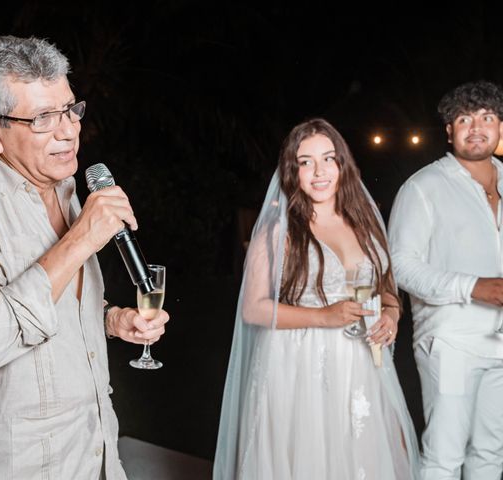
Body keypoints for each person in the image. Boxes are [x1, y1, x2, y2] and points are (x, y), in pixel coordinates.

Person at [0, 35, 169, 479]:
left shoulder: (67, 190)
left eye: (71, 109)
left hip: (92, 452)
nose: (69, 129)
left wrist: (110, 320)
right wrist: (80, 240)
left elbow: (56, 299)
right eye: (42, 118)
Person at [213, 118, 420, 479]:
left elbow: (386, 288)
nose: (319, 171)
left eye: (328, 158)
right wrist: (324, 316)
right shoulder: (280, 229)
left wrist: (390, 314)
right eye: (306, 162)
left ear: (343, 163)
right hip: (299, 361)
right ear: (293, 170)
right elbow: (254, 308)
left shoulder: (365, 220)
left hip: (361, 362)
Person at [388, 80, 503, 479]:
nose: (476, 127)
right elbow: (400, 264)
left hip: (500, 342)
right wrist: (472, 286)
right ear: (449, 131)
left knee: (491, 453)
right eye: (464, 119)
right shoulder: (424, 187)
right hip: (450, 340)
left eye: (487, 117)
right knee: (444, 455)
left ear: (499, 126)